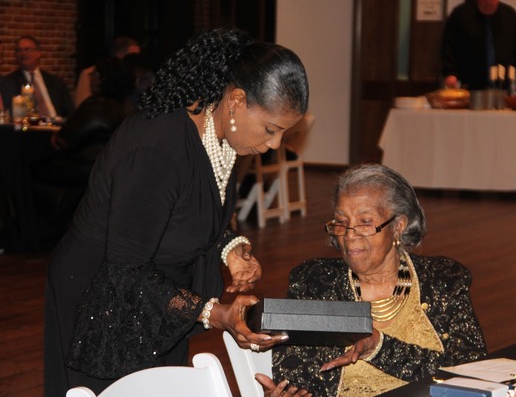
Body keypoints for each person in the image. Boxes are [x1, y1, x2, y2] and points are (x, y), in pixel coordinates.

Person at [43, 28, 309, 397]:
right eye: (270, 129)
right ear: (236, 100)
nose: (274, 144)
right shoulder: (157, 149)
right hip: (101, 301)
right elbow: (126, 267)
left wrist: (231, 247)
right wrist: (215, 314)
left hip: (159, 297)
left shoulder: (217, 133)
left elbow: (194, 211)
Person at [256, 164, 487, 396]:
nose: (349, 235)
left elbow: (471, 369)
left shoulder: (444, 279)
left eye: (365, 222)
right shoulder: (313, 282)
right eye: (341, 222)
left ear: (398, 226)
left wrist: (379, 347)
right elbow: (293, 373)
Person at [31, 57, 137, 244]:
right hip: (111, 167)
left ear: (102, 78)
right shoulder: (128, 106)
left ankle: (35, 230)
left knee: (29, 166)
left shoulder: (95, 105)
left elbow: (64, 141)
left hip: (84, 167)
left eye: (94, 74)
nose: (90, 78)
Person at [441, 0, 516, 92]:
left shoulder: (510, 16)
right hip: (470, 85)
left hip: (502, 86)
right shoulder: (460, 15)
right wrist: (450, 73)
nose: (487, 2)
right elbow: (448, 47)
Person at [0, 35, 74, 118]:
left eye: (27, 49)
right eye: (19, 50)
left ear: (38, 53)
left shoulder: (55, 81)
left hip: (57, 124)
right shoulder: (8, 82)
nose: (23, 53)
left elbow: (69, 110)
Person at [74, 36, 141, 107]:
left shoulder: (138, 74)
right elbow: (83, 105)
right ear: (119, 54)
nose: (135, 60)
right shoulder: (91, 73)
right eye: (132, 56)